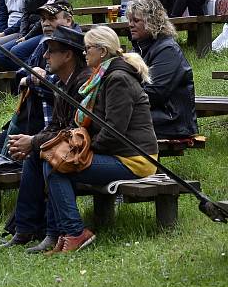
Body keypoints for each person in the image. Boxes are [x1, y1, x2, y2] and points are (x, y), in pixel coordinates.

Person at [39, 25, 158, 253]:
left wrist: (86, 150)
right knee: (55, 163)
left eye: (88, 49)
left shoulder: (118, 79)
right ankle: (63, 234)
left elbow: (114, 131)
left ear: (102, 51)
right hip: (119, 153)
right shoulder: (104, 76)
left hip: (134, 159)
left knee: (56, 168)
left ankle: (74, 233)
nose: (84, 53)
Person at [0, 26, 92, 252]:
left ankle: (53, 232)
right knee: (35, 157)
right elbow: (57, 127)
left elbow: (74, 130)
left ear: (68, 55)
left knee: (51, 159)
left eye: (51, 50)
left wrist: (34, 141)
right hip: (74, 145)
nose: (45, 56)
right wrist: (33, 142)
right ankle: (24, 229)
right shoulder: (62, 82)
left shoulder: (83, 83)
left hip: (89, 148)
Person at [127, 0, 198, 138]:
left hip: (172, 119)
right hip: (153, 113)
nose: (130, 25)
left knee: (115, 123)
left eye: (136, 20)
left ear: (152, 22)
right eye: (129, 20)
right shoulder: (140, 49)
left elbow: (154, 93)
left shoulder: (167, 50)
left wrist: (121, 103)